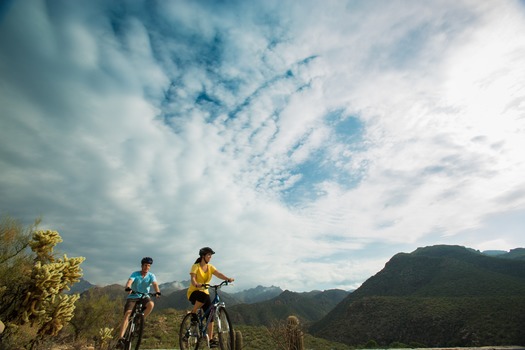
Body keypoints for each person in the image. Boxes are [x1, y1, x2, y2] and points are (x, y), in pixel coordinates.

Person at [187, 247, 234, 348]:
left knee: (210, 315)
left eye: (211, 255)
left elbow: (218, 274)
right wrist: (196, 284)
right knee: (203, 296)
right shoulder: (195, 266)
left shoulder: (210, 267)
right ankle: (193, 312)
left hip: (204, 292)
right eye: (209, 255)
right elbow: (193, 279)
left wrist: (227, 279)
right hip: (194, 292)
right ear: (203, 256)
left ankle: (211, 338)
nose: (210, 257)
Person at [116, 257, 161, 348]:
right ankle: (120, 338)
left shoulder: (151, 275)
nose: (147, 267)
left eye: (149, 266)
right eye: (145, 265)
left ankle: (140, 320)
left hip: (144, 296)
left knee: (151, 304)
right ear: (142, 266)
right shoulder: (135, 274)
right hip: (133, 296)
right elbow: (130, 281)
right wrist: (128, 287)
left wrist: (157, 291)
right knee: (128, 314)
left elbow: (155, 284)